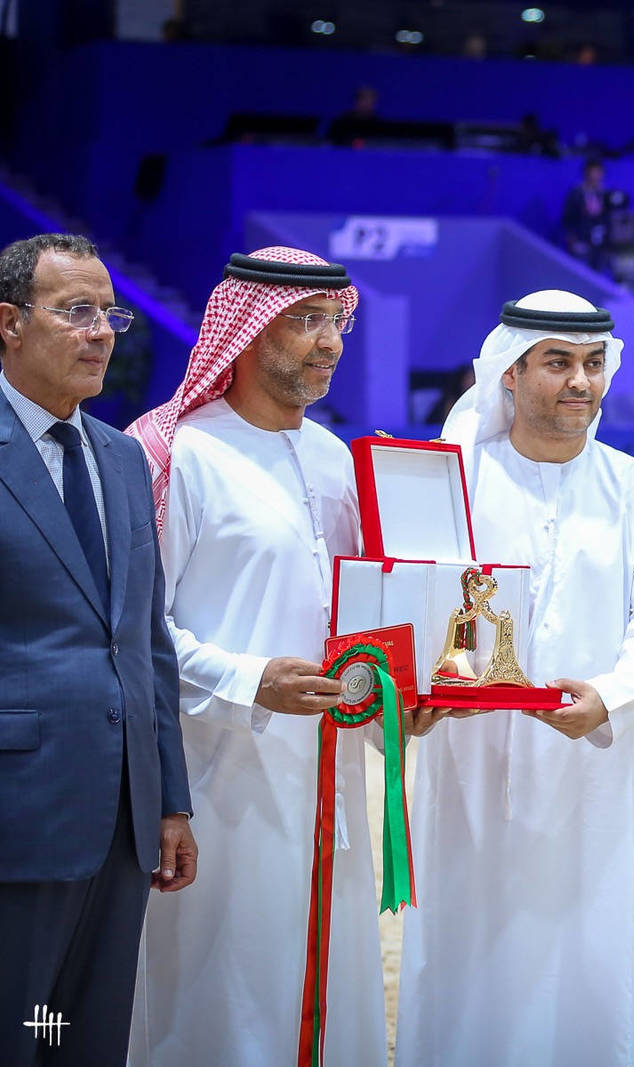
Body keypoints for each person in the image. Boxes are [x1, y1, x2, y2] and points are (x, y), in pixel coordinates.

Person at [126, 248, 427, 1066]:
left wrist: (400, 695)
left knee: (325, 971)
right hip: (207, 779)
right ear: (249, 329)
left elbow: (361, 622)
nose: (329, 341)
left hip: (327, 775)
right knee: (216, 984)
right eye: (306, 320)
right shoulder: (168, 452)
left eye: (339, 322)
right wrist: (249, 677)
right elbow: (133, 630)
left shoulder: (338, 461)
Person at [396, 289, 634, 1066]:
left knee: (590, 944)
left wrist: (611, 699)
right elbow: (413, 613)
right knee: (468, 940)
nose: (579, 382)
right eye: (557, 362)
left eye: (593, 364)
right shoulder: (454, 482)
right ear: (510, 374)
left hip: (588, 766)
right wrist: (414, 697)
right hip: (468, 766)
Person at [0, 233, 195, 1066]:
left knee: (82, 1036)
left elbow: (144, 640)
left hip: (122, 819)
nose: (101, 332)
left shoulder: (121, 457)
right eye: (74, 311)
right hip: (17, 805)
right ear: (9, 322)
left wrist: (171, 797)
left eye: (108, 313)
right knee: (17, 1029)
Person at [561, 158, 611, 269]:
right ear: (586, 173)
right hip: (581, 242)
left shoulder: (606, 195)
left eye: (599, 172)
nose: (596, 176)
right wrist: (572, 240)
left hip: (601, 245)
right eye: (593, 172)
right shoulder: (576, 194)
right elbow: (567, 219)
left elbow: (609, 219)